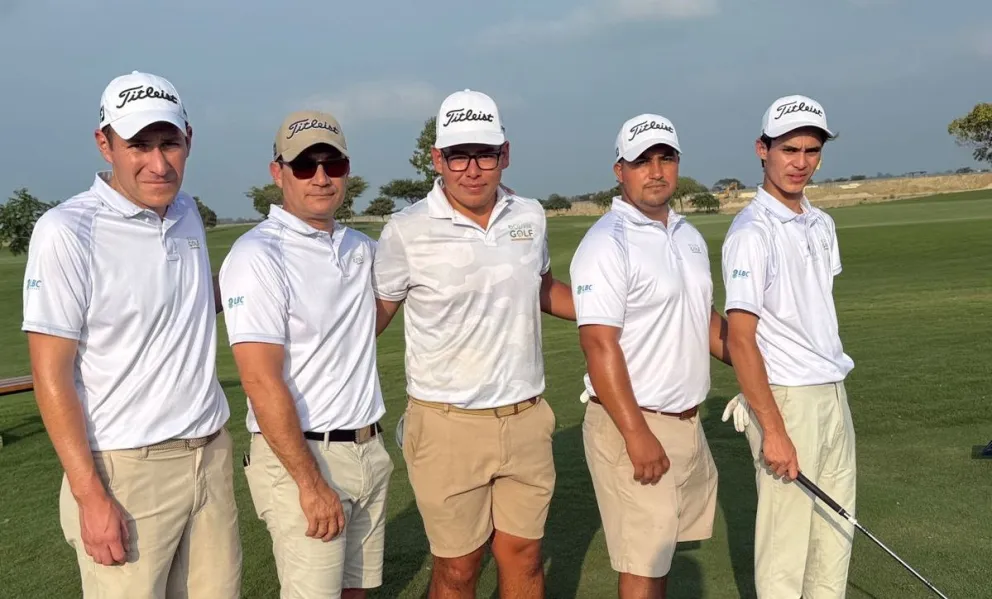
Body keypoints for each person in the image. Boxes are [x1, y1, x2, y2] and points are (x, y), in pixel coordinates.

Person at [20, 70, 241, 598]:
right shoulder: (67, 231)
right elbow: (50, 374)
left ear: (189, 139)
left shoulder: (185, 212)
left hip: (209, 456)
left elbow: (184, 303)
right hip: (123, 471)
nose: (158, 163)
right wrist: (89, 495)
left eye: (170, 143)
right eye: (139, 145)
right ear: (105, 144)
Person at [372, 89, 574, 599]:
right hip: (446, 424)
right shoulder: (406, 230)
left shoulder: (529, 216)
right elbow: (375, 317)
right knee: (459, 569)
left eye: (484, 153)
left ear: (504, 153)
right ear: (437, 159)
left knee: (524, 555)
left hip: (525, 417)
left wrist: (619, 311)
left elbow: (542, 287)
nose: (472, 169)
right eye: (458, 155)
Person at [219, 110, 393, 598]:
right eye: (304, 166)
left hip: (366, 448)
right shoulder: (259, 255)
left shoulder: (360, 247)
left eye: (332, 165)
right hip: (303, 455)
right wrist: (310, 482)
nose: (320, 177)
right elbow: (259, 380)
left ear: (346, 170)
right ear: (278, 172)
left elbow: (365, 324)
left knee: (357, 591)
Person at [570, 114, 732, 599]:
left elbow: (703, 321)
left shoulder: (686, 235)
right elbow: (599, 345)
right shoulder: (606, 243)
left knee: (660, 561)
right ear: (620, 170)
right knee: (642, 567)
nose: (655, 170)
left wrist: (760, 371)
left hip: (686, 421)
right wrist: (636, 435)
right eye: (642, 161)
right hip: (632, 423)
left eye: (666, 158)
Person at [720, 94, 856, 598]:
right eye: (789, 150)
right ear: (763, 149)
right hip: (787, 400)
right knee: (785, 549)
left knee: (834, 534)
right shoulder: (751, 232)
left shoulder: (822, 223)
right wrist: (773, 430)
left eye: (811, 151)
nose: (800, 163)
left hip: (832, 390)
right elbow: (741, 338)